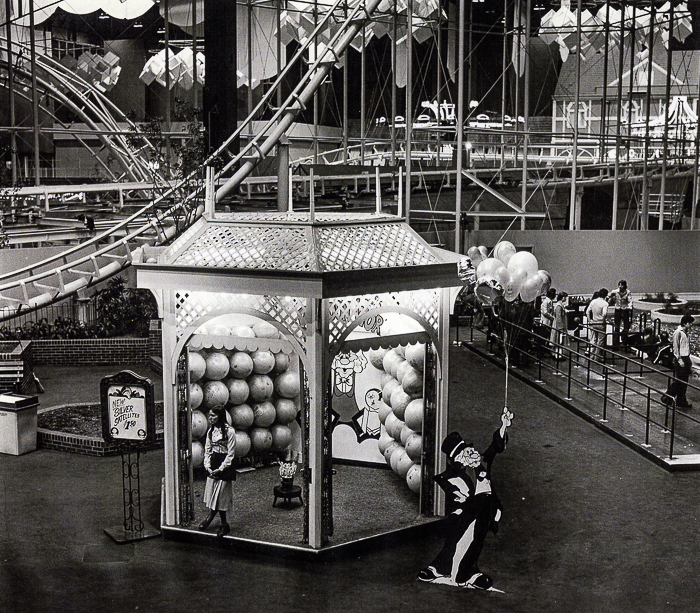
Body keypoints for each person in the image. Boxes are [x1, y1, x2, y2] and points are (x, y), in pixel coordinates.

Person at [418, 407, 513, 590]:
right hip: (463, 515)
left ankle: (470, 573)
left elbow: (496, 446)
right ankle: (440, 568)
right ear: (459, 460)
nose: (473, 452)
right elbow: (457, 501)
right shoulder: (452, 476)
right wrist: (486, 502)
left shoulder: (482, 463)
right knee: (458, 540)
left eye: (470, 449)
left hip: (484, 513)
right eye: (467, 453)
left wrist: (503, 425)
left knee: (476, 542)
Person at [199, 405, 236, 537]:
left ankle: (223, 524)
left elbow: (231, 454)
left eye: (213, 416)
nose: (210, 418)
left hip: (225, 465)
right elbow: (207, 450)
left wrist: (221, 468)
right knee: (213, 495)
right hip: (214, 463)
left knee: (220, 497)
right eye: (209, 415)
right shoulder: (210, 432)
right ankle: (213, 518)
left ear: (220, 416)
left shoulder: (230, 432)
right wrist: (208, 466)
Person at [661, 314, 695, 409]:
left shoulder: (685, 332)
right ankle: (667, 397)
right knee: (679, 381)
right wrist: (680, 360)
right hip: (681, 358)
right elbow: (676, 347)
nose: (691, 325)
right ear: (685, 323)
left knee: (684, 381)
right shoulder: (678, 332)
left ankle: (681, 400)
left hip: (686, 357)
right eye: (690, 323)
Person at [585, 288, 610, 363]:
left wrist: (590, 320)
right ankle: (597, 357)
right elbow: (604, 313)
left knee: (594, 339)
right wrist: (603, 319)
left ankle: (592, 355)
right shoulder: (605, 303)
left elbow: (587, 312)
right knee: (600, 341)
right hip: (600, 323)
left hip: (593, 322)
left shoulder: (593, 301)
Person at [608, 280, 633, 351]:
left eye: (621, 285)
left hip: (625, 310)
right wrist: (609, 299)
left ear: (625, 286)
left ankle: (624, 342)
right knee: (616, 326)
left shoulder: (628, 292)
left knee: (626, 326)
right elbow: (609, 295)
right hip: (618, 310)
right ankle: (615, 344)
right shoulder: (615, 291)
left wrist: (629, 307)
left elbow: (630, 301)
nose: (620, 286)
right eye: (619, 285)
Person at [552, 292, 570, 361]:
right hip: (559, 326)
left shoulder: (559, 305)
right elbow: (559, 317)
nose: (565, 298)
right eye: (565, 297)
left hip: (560, 325)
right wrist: (561, 327)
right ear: (562, 298)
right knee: (559, 341)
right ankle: (558, 355)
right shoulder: (559, 306)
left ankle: (558, 354)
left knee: (560, 340)